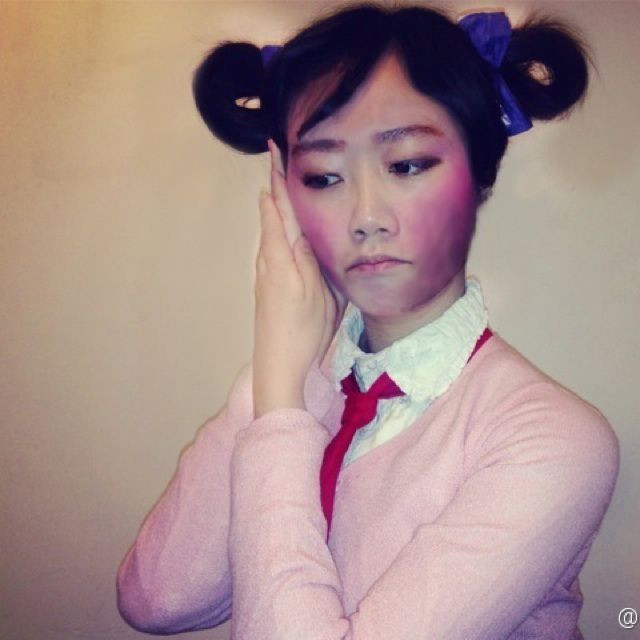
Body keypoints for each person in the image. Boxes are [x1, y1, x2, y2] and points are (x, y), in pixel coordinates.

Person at [115, 3, 620, 639]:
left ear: (477, 173)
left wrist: (280, 404)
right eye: (324, 176)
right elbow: (159, 598)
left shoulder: (550, 439)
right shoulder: (302, 379)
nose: (365, 216)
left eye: (406, 164)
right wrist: (280, 376)